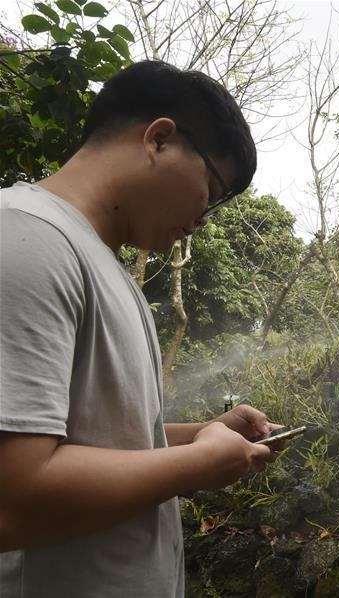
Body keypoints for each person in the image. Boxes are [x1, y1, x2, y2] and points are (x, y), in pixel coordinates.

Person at [0, 60, 281, 597]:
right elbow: (12, 499)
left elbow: (90, 441)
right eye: (213, 188)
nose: (204, 216)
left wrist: (197, 435)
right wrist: (196, 464)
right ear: (159, 139)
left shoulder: (98, 261)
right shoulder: (25, 240)